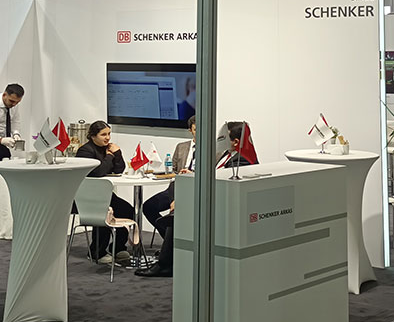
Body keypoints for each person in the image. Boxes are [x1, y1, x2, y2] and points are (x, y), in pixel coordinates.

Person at [137, 121, 257, 278]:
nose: (219, 139)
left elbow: (221, 182)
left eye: (224, 136)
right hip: (195, 191)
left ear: (235, 141)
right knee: (173, 189)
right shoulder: (227, 155)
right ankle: (169, 254)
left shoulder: (240, 160)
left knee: (177, 218)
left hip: (216, 204)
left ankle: (165, 264)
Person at [74, 121, 134, 265]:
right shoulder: (85, 151)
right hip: (87, 195)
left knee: (127, 210)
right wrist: (110, 157)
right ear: (93, 136)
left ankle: (118, 247)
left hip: (104, 193)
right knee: (104, 213)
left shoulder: (108, 149)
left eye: (109, 134)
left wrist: (117, 153)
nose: (107, 138)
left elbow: (119, 169)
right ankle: (97, 251)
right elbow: (98, 172)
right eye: (103, 135)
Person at [142, 116, 195, 230]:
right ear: (190, 130)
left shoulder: (212, 149)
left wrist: (191, 173)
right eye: (196, 130)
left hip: (194, 189)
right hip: (176, 187)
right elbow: (173, 169)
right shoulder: (181, 147)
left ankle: (174, 208)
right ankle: (168, 235)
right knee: (148, 207)